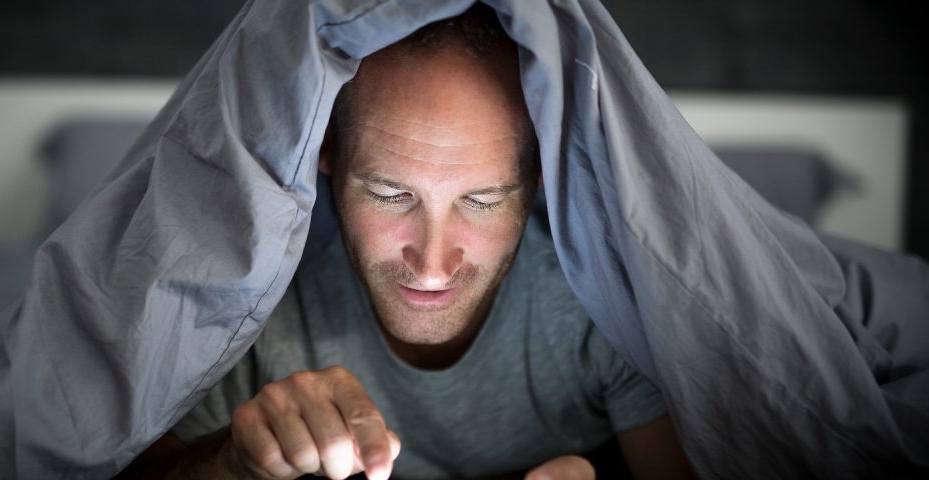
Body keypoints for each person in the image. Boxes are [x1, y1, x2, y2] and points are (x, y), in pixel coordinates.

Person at [123, 6, 695, 479]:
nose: (432, 262)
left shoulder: (605, 311)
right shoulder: (245, 301)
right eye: (391, 194)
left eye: (483, 199)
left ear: (539, 178)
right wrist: (233, 460)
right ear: (323, 157)